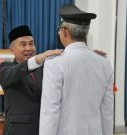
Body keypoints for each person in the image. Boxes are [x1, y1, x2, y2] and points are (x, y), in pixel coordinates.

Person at [39, 4, 114, 135]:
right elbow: (107, 112)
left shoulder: (55, 64)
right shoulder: (104, 64)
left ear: (65, 31)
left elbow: (50, 111)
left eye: (59, 29)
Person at [0, 25, 62, 135]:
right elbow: (12, 75)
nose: (29, 48)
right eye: (23, 44)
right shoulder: (5, 67)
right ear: (12, 50)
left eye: (31, 43)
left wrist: (85, 57)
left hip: (44, 129)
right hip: (17, 131)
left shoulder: (44, 68)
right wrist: (37, 59)